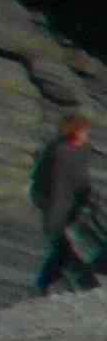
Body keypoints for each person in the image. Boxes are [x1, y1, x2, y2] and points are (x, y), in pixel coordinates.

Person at [39, 113, 107, 295]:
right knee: (66, 248)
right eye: (84, 131)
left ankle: (53, 284)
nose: (87, 134)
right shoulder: (64, 153)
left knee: (67, 249)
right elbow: (71, 185)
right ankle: (58, 284)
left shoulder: (68, 150)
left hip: (69, 209)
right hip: (63, 211)